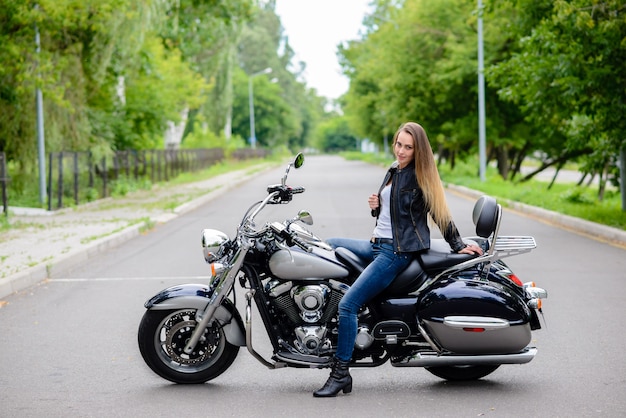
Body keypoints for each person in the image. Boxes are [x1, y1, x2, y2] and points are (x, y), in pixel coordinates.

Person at [313, 121, 483, 398]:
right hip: (377, 244)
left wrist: (459, 244)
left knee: (348, 305)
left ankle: (341, 373)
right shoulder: (394, 169)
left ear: (418, 150)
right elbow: (390, 215)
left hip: (396, 252)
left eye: (408, 147)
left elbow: (440, 212)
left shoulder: (420, 176)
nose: (401, 151)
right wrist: (376, 207)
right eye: (398, 144)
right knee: (327, 245)